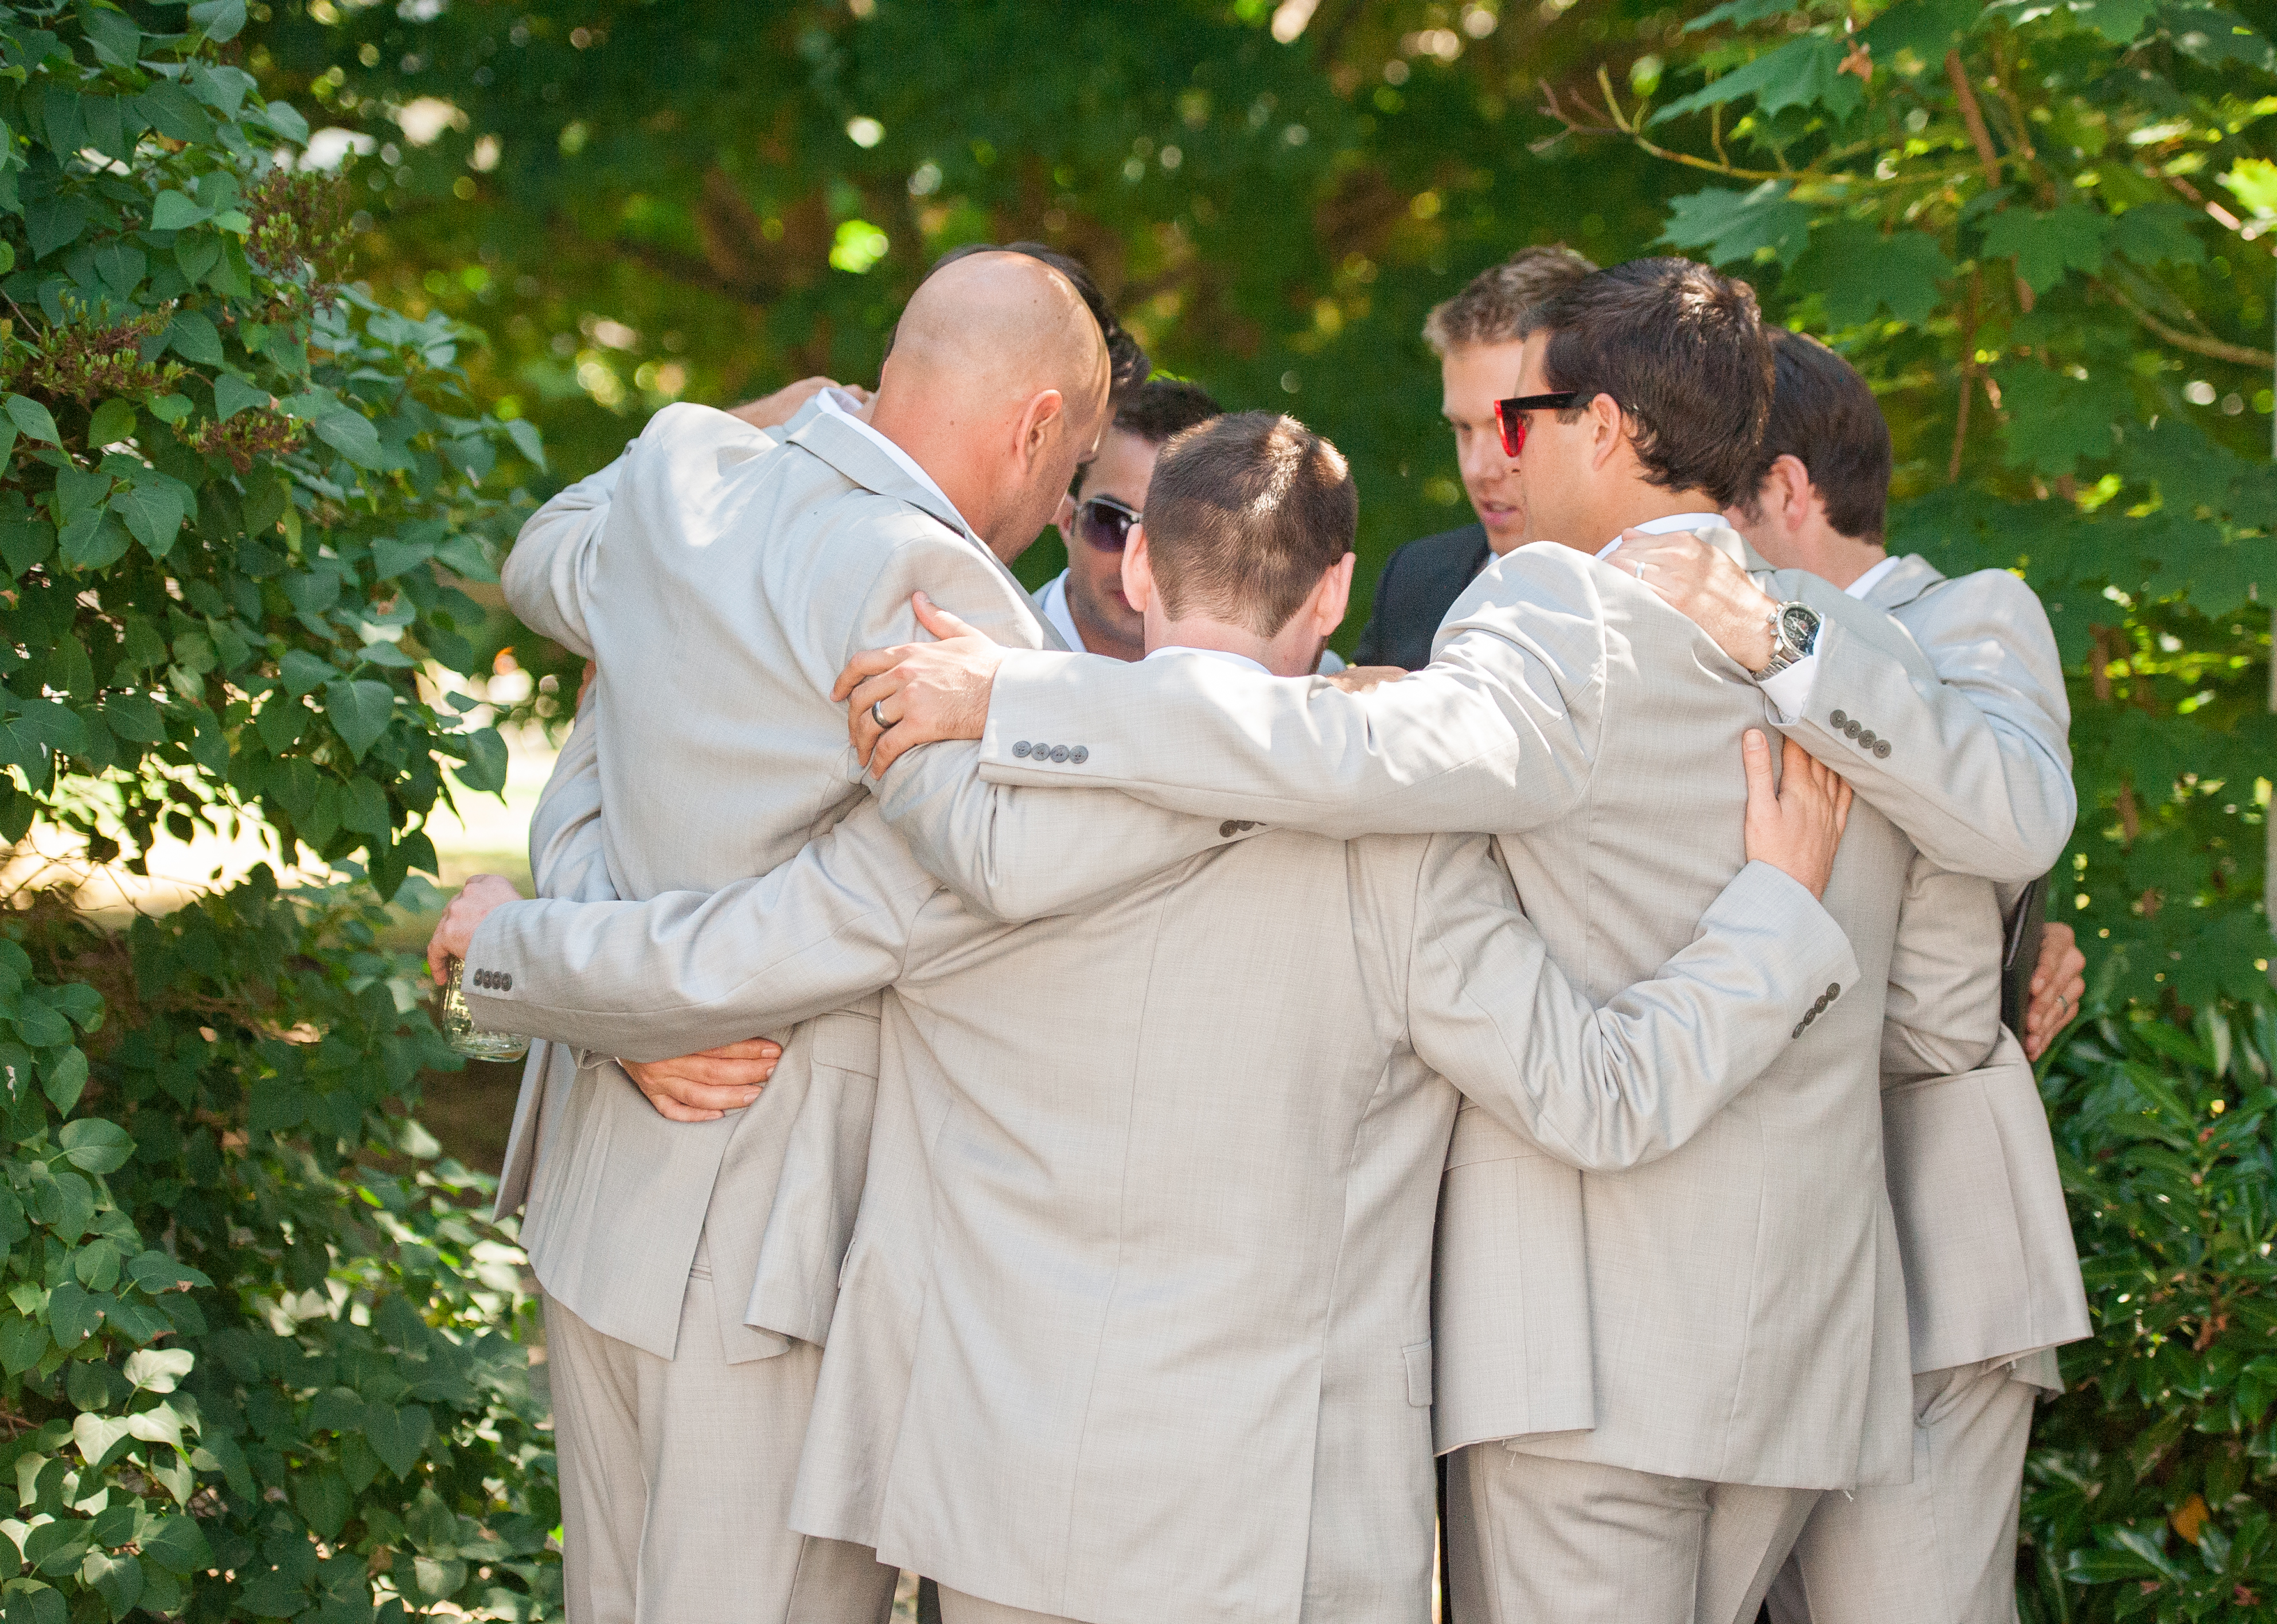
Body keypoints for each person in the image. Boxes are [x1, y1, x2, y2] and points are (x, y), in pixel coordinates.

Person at [434, 410, 1876, 1624]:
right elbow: (1603, 1097)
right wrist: (1777, 912)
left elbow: (747, 943)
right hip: (1281, 1531)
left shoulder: (971, 798)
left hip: (988, 1494)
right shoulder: (1404, 861)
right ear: (1334, 593)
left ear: (1131, 572)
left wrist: (538, 965)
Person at [832, 258, 2023, 1624]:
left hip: (1579, 1351)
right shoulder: (1857, 663)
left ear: (1609, 429)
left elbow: (1359, 759)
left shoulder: (1546, 610)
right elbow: (1938, 1001)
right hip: (1806, 1336)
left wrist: (1020, 701)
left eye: (1522, 419)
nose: (1497, 461)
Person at [457, 248, 1114, 1624]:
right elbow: (854, 913)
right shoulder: (940, 596)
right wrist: (561, 978)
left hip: (604, 1195)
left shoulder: (681, 475)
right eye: (1079, 474)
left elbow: (544, 569)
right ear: (1038, 424)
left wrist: (771, 415)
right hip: (766, 1242)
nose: (1063, 515)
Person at [1714, 330, 2092, 1624]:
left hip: (1934, 1235)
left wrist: (1786, 638)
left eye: (1707, 491)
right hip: (1755, 1236)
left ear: (1780, 491)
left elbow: (2010, 823)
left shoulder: (1971, 614)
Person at [1351, 243, 1592, 669]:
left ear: (1600, 417)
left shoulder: (1679, 589)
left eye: (1512, 425)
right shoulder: (1413, 580)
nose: (1479, 469)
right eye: (1463, 428)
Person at [1035, 377, 1221, 659]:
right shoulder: (982, 653)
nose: (1140, 562)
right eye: (1111, 521)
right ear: (1068, 522)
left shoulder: (1271, 683)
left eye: (1175, 532)